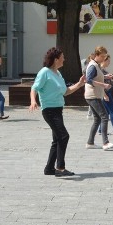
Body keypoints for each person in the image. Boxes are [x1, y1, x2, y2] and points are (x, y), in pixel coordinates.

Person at [29, 47, 86, 177]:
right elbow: (34, 88)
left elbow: (65, 91)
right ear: (56, 59)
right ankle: (60, 168)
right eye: (62, 57)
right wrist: (33, 100)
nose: (64, 59)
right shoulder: (45, 72)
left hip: (58, 110)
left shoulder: (58, 74)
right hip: (49, 111)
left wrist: (79, 84)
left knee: (57, 140)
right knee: (63, 136)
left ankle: (49, 168)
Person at [83, 46, 113, 150]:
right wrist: (104, 85)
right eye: (102, 56)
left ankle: (90, 143)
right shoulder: (93, 65)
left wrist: (106, 77)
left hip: (93, 95)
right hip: (93, 95)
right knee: (104, 116)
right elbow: (88, 80)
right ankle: (105, 143)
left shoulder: (96, 65)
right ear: (97, 55)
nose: (103, 59)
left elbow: (95, 76)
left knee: (97, 119)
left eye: (104, 56)